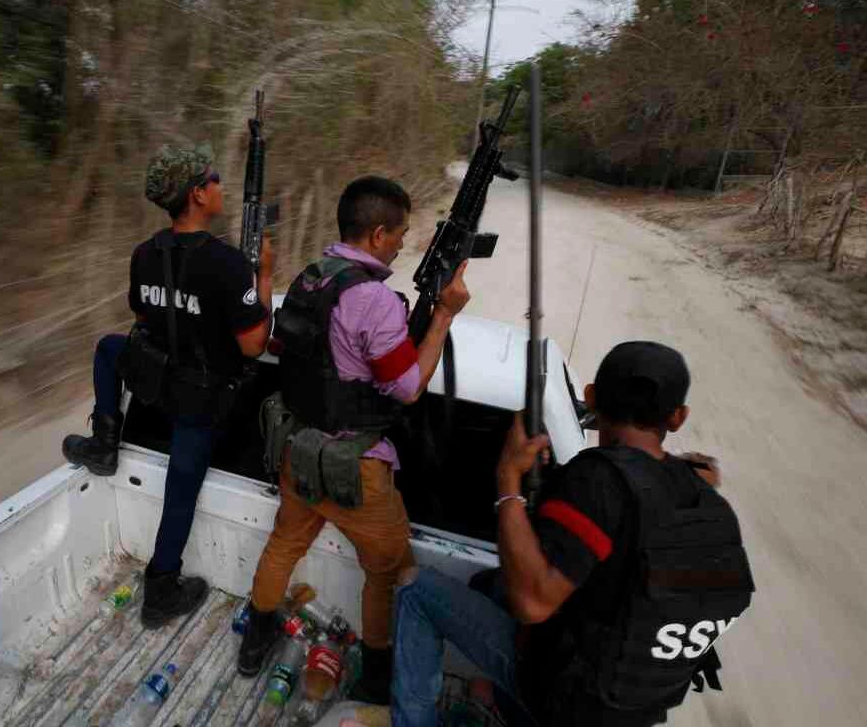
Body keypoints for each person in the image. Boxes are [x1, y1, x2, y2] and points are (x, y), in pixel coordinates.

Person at [391, 341, 755, 727]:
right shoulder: (711, 507)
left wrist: (508, 476)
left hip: (564, 699)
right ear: (678, 418)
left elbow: (531, 604)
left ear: (591, 397)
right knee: (490, 584)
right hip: (635, 707)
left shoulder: (597, 481)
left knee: (416, 590)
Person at [237, 176, 471, 705]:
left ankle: (254, 643)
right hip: (354, 467)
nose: (404, 244)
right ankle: (376, 675)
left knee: (284, 544)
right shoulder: (374, 299)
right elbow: (407, 388)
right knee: (387, 569)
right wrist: (443, 316)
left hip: (298, 450)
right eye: (401, 234)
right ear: (378, 234)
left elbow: (287, 347)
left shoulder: (310, 279)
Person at [62, 142, 274, 629]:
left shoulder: (145, 254)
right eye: (214, 178)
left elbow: (144, 320)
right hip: (202, 398)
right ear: (198, 194)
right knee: (181, 488)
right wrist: (264, 276)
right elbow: (253, 345)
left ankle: (104, 441)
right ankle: (160, 591)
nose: (221, 185)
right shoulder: (227, 263)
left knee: (108, 348)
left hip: (157, 382)